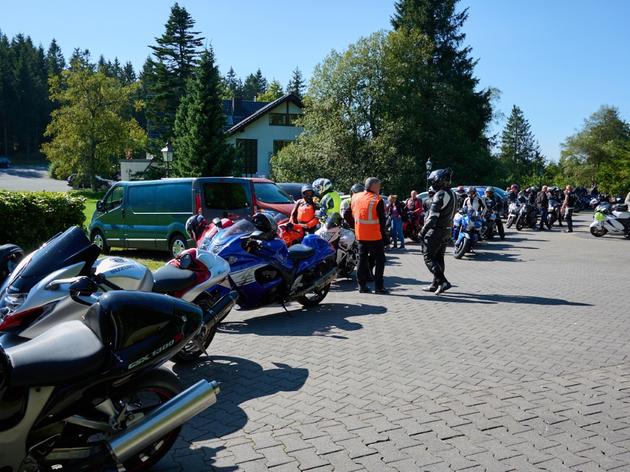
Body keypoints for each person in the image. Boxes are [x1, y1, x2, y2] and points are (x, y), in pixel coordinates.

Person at [420, 168, 456, 296]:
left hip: (436, 231)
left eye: (433, 181)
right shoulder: (452, 193)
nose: (432, 184)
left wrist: (422, 232)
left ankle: (443, 281)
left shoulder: (440, 194)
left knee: (428, 256)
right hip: (447, 230)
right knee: (439, 257)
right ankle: (436, 284)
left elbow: (433, 218)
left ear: (439, 180)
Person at [351, 177, 389, 294]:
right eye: (379, 186)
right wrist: (385, 237)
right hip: (374, 236)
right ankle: (379, 287)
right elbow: (382, 221)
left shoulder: (356, 197)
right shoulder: (377, 200)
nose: (380, 188)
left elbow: (353, 213)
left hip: (360, 234)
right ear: (374, 187)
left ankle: (361, 286)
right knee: (380, 260)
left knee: (362, 260)